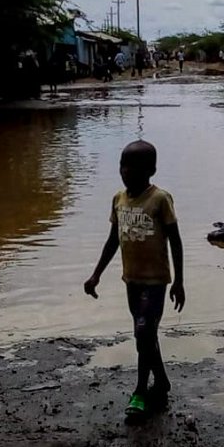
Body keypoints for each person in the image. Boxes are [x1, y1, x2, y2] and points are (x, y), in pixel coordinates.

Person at [84, 140, 184, 421]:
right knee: (147, 333)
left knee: (143, 333)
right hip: (131, 280)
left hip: (156, 281)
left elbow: (176, 241)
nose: (127, 171)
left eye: (135, 167)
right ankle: (162, 380)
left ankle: (140, 390)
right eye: (123, 166)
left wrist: (179, 281)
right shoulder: (119, 199)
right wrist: (96, 274)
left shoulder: (160, 199)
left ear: (151, 169)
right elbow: (113, 241)